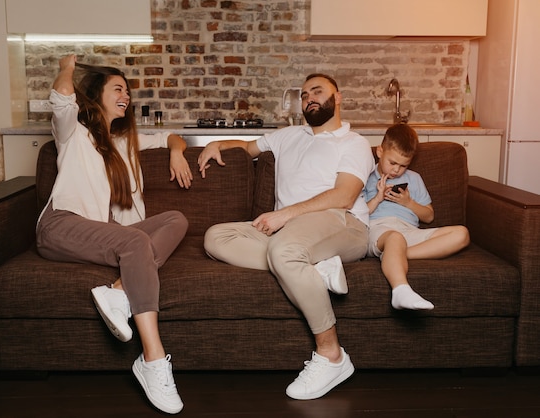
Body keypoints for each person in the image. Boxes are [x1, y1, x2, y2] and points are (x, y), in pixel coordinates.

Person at [197, 74, 375, 400]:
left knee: (285, 250)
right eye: (305, 94)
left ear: (339, 96)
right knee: (216, 237)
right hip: (292, 233)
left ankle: (332, 354)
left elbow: (345, 195)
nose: (309, 98)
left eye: (317, 92)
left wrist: (286, 214)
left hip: (343, 224)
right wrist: (216, 143)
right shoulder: (289, 135)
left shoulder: (354, 143)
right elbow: (247, 147)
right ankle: (309, 267)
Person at [36, 54, 193, 414]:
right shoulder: (73, 132)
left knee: (176, 219)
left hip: (104, 233)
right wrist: (67, 68)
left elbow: (173, 136)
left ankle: (120, 290)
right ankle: (152, 360)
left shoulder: (123, 143)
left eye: (128, 91)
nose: (126, 96)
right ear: (96, 95)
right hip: (60, 226)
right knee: (135, 240)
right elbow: (61, 97)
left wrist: (176, 153)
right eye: (118, 89)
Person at [364, 123, 470, 310]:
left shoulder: (414, 178)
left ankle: (395, 255)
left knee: (462, 234)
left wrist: (408, 203)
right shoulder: (365, 176)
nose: (396, 170)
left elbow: (429, 217)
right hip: (379, 229)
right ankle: (400, 290)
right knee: (394, 238)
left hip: (409, 231)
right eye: (392, 163)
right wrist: (377, 198)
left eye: (403, 165)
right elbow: (357, 215)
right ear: (380, 152)